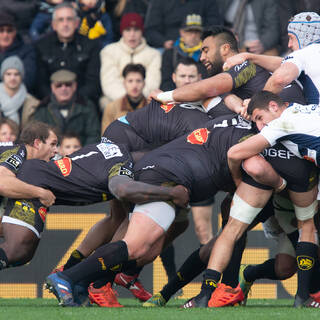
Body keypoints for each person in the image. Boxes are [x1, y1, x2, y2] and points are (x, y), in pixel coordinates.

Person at [45, 114, 316, 307]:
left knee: (149, 248)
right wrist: (277, 184)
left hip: (165, 172)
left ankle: (83, 282)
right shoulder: (254, 137)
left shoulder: (231, 120)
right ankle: (68, 277)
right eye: (262, 117)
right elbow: (253, 166)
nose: (267, 124)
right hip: (166, 178)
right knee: (137, 246)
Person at [0, 138, 188, 277]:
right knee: (18, 250)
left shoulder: (115, 150)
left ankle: (70, 273)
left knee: (118, 218)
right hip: (36, 181)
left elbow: (117, 218)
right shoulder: (123, 163)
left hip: (38, 177)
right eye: (52, 144)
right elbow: (121, 189)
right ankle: (75, 277)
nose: (56, 151)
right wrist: (171, 194)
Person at [227, 90, 320, 307]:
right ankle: (250, 274)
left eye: (260, 117)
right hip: (288, 202)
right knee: (284, 268)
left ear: (274, 106)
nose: (260, 126)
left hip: (306, 192)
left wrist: (237, 181)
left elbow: (234, 153)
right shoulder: (299, 110)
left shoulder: (281, 123)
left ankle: (306, 296)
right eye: (255, 121)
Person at [153, 26, 305, 109]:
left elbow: (206, 88)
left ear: (225, 49)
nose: (201, 58)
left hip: (292, 116)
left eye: (206, 50)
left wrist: (163, 96)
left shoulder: (247, 64)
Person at [35, 2, 101, 104]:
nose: (65, 24)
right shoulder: (41, 46)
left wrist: (74, 101)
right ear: (54, 25)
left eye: (69, 19)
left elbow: (93, 83)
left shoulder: (91, 45)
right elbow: (40, 83)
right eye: (61, 20)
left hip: (82, 103)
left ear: (77, 23)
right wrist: (54, 100)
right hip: (49, 103)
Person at [100, 12, 161, 108]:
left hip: (144, 102)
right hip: (118, 102)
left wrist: (138, 101)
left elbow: (152, 83)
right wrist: (128, 102)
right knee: (105, 102)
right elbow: (109, 83)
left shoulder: (154, 54)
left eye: (136, 30)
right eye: (128, 30)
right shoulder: (109, 51)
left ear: (142, 32)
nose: (132, 34)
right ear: (122, 32)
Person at [32, 69, 100, 146]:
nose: (63, 88)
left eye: (68, 84)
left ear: (75, 86)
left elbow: (94, 135)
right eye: (59, 85)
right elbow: (37, 137)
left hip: (81, 154)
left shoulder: (87, 107)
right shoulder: (42, 108)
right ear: (52, 88)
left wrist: (82, 154)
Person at [144, 0, 221, 49]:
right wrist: (163, 42)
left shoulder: (208, 2)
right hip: (168, 47)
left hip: (200, 46)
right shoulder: (158, 2)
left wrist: (201, 41)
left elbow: (215, 26)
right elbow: (150, 30)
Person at [160, 14, 207, 91]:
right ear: (181, 32)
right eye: (189, 31)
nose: (193, 35)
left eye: (197, 31)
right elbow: (166, 83)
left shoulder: (206, 55)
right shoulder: (170, 54)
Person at [101, 63, 147, 133]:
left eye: (138, 81)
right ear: (124, 83)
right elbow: (105, 137)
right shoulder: (111, 108)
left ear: (144, 84)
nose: (134, 86)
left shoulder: (151, 107)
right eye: (130, 81)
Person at [0, 11, 36, 92]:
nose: (5, 35)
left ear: (15, 32)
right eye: (1, 31)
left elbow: (28, 80)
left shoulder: (27, 51)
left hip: (19, 95)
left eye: (9, 31)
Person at [0, 56, 40, 127]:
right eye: (8, 74)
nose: (12, 78)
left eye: (16, 74)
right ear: (3, 76)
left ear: (22, 76)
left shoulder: (33, 103)